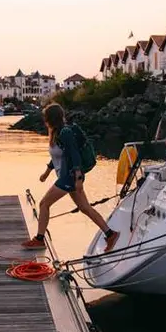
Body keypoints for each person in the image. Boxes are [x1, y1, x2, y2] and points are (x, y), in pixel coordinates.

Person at [21, 103, 120, 252]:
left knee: (44, 204)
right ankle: (110, 234)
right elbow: (60, 155)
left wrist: (78, 179)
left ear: (50, 118)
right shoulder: (56, 132)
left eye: (45, 117)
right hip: (68, 177)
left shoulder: (65, 133)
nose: (44, 119)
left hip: (69, 178)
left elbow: (74, 155)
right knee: (85, 208)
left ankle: (39, 239)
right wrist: (47, 172)